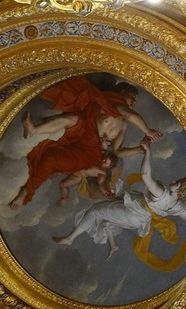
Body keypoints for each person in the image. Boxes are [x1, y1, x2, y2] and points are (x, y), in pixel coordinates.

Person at [9, 76, 157, 210]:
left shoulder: (123, 124)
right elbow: (130, 114)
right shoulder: (111, 103)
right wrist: (148, 131)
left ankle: (25, 193)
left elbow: (117, 151)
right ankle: (34, 130)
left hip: (88, 151)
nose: (134, 101)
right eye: (130, 95)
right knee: (73, 119)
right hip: (83, 132)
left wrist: (138, 149)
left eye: (135, 99)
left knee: (50, 158)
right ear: (120, 92)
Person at [53, 144, 186, 256]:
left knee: (95, 211)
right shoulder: (177, 206)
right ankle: (113, 245)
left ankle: (70, 238)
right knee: (106, 215)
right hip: (138, 217)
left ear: (179, 191)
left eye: (176, 183)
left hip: (135, 211)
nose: (172, 181)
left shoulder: (162, 193)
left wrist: (148, 153)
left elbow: (145, 174)